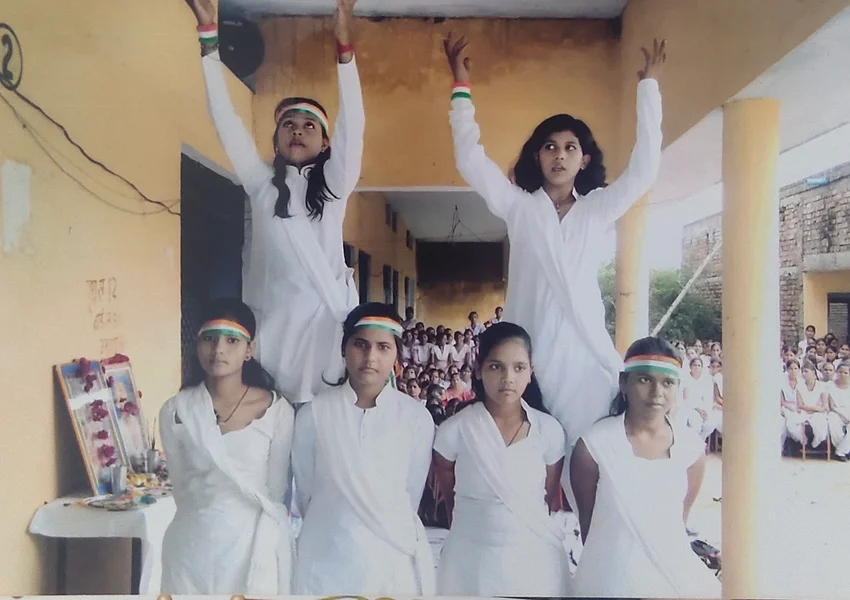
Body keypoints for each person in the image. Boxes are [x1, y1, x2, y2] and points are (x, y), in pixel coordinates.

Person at [443, 33, 666, 509]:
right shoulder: (520, 207)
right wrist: (461, 87)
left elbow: (644, 170)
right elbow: (470, 159)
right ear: (537, 157)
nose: (559, 155)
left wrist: (648, 90)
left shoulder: (596, 209)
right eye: (549, 146)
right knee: (525, 464)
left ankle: (590, 538)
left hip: (582, 358)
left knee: (588, 464)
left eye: (569, 147)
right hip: (528, 354)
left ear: (584, 159)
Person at [183, 0, 364, 405]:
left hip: (322, 333)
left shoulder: (335, 187)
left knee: (321, 429)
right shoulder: (261, 185)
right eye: (288, 124)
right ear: (277, 140)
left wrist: (345, 53)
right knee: (268, 428)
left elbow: (354, 126)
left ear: (326, 143)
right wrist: (209, 44)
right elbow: (225, 121)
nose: (298, 131)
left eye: (309, 125)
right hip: (270, 336)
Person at [291, 303, 435, 595]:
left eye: (383, 347)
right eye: (361, 344)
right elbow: (306, 491)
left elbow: (410, 492)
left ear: (397, 356)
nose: (370, 357)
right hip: (325, 558)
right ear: (344, 349)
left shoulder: (416, 418)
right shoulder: (314, 413)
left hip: (391, 560)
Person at [159, 299, 295, 594]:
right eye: (209, 339)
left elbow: (275, 490)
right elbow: (181, 487)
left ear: (249, 350)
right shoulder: (176, 410)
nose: (218, 349)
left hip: (251, 547)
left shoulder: (277, 410)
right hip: (190, 547)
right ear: (197, 345)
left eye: (232, 340)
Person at [570, 337, 720, 598]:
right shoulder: (593, 446)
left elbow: (678, 521)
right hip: (607, 583)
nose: (656, 392)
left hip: (670, 583)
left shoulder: (691, 450)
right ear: (623, 383)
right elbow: (589, 526)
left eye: (667, 383)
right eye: (644, 380)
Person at [433, 323, 572, 596]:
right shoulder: (454, 431)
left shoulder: (549, 431)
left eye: (519, 368)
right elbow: (451, 497)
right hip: (470, 561)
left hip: (534, 560)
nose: (508, 378)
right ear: (478, 369)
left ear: (531, 372)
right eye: (496, 367)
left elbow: (547, 497)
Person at [797, 360, 830, 449]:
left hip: (818, 413)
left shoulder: (822, 386)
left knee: (821, 428)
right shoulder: (799, 386)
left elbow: (825, 407)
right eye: (802, 372)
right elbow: (800, 405)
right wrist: (808, 409)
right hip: (803, 412)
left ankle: (815, 443)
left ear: (813, 372)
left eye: (806, 371)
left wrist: (812, 409)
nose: (804, 374)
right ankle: (804, 442)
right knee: (792, 424)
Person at [828, 362, 850, 461]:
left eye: (845, 373)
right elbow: (831, 406)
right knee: (832, 420)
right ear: (836, 372)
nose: (842, 374)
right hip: (835, 411)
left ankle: (842, 451)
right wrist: (842, 414)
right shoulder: (830, 385)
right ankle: (842, 451)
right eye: (840, 372)